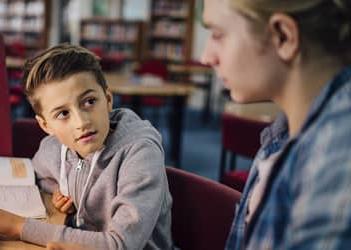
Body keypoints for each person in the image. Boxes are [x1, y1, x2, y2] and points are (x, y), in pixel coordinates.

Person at [201, 0, 351, 249]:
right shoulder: (284, 134)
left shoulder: (336, 157)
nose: (206, 57)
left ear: (283, 36)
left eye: (218, 34)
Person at [0, 44, 173, 249]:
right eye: (63, 114)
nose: (81, 122)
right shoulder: (53, 147)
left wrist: (18, 226)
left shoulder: (140, 154)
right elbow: (39, 176)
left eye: (89, 101)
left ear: (108, 99)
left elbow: (120, 244)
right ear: (46, 125)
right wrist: (58, 191)